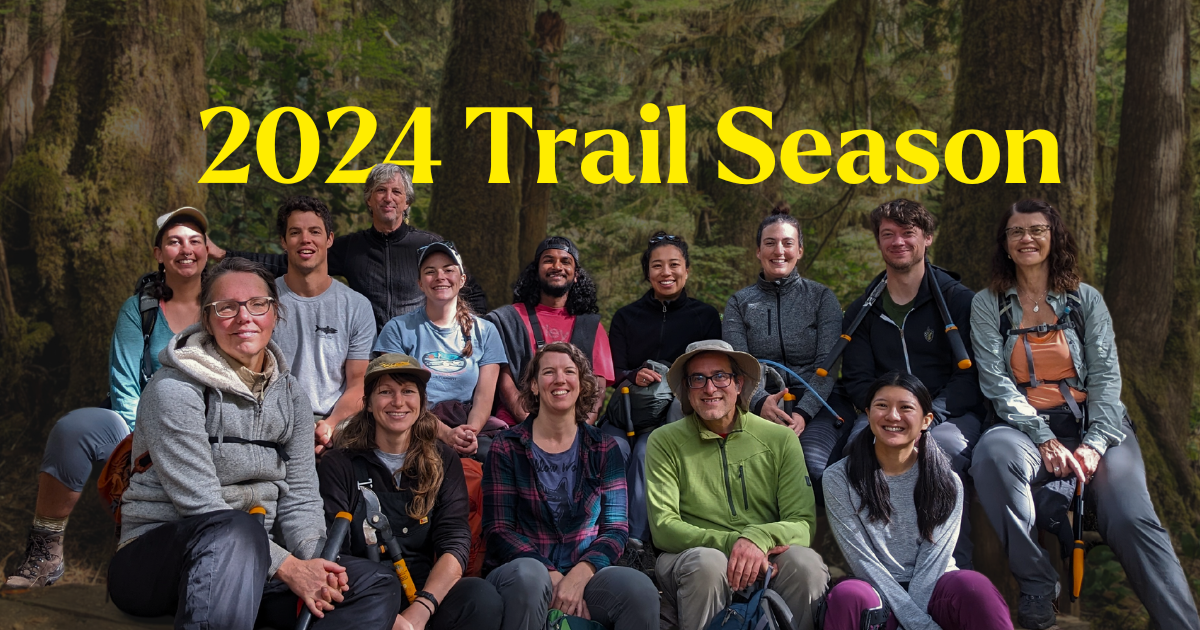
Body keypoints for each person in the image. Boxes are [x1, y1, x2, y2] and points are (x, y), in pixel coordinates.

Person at [107, 258, 401, 629]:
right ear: (208, 320)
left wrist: (316, 564)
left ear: (275, 313)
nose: (244, 317)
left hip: (259, 566)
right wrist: (289, 568)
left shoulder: (291, 394)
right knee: (234, 529)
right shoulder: (173, 390)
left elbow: (301, 498)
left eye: (257, 304)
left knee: (375, 583)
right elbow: (199, 506)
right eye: (226, 307)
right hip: (158, 562)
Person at [969, 199, 1200, 630]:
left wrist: (1094, 443)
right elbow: (996, 383)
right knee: (990, 459)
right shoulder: (989, 304)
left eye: (1037, 230)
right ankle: (1038, 581)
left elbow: (1108, 379)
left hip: (1096, 425)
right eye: (1016, 232)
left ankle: (1181, 623)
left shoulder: (1084, 298)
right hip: (1022, 428)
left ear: (1054, 236)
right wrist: (1042, 437)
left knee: (1131, 519)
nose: (1027, 239)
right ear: (1005, 243)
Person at [4, 207, 209, 591]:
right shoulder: (140, 310)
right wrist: (142, 448)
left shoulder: (223, 308)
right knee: (75, 428)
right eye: (175, 241)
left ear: (207, 250)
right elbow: (125, 384)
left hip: (205, 430)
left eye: (195, 241)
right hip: (141, 426)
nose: (186, 249)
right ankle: (45, 551)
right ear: (158, 253)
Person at [835, 199, 984, 567]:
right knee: (856, 451)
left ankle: (950, 570)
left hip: (948, 416)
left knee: (942, 453)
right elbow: (856, 380)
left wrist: (925, 417)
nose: (898, 241)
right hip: (882, 417)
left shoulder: (959, 302)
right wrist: (889, 414)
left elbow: (971, 374)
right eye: (888, 234)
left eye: (907, 233)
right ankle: (880, 569)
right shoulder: (863, 311)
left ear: (927, 238)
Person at [645, 339, 829, 630]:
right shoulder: (664, 441)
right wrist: (735, 545)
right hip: (692, 557)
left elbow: (802, 523)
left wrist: (758, 539)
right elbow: (665, 528)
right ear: (687, 391)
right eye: (698, 379)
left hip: (767, 553)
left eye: (720, 376)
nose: (710, 388)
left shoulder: (780, 439)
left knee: (806, 564)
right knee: (708, 564)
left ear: (739, 384)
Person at [318, 354, 503, 630]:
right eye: (385, 392)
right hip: (361, 596)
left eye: (408, 391)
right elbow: (333, 553)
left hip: (425, 595)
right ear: (368, 403)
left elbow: (454, 540)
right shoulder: (339, 464)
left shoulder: (443, 459)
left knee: (481, 597)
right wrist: (385, 617)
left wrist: (420, 611)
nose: (398, 401)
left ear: (421, 402)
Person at [483, 342, 658, 630]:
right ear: (535, 386)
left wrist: (581, 573)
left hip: (585, 573)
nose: (560, 379)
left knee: (638, 589)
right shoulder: (507, 446)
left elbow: (615, 529)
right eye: (548, 372)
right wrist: (550, 574)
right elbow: (499, 530)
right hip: (521, 574)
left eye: (569, 371)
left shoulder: (604, 447)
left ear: (581, 383)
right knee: (531, 576)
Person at [821, 372, 1011, 630]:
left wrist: (914, 622)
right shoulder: (838, 477)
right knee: (848, 595)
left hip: (935, 587)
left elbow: (934, 561)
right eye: (882, 406)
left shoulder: (947, 480)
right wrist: (919, 625)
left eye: (906, 408)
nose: (893, 416)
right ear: (867, 413)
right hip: (876, 588)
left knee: (976, 588)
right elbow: (862, 560)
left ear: (926, 420)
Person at [208, 164, 486, 330]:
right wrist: (225, 254)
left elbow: (470, 289)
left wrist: (473, 333)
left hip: (421, 346)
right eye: (380, 191)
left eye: (396, 192)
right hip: (369, 351)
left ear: (407, 202)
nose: (388, 198)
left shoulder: (429, 245)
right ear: (369, 199)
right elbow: (289, 261)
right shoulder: (352, 247)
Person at [605, 231, 722, 543]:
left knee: (647, 452)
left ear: (687, 269)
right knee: (610, 449)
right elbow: (612, 370)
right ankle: (599, 537)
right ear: (647, 272)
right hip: (627, 411)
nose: (666, 273)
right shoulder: (626, 317)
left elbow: (712, 369)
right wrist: (633, 375)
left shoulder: (705, 316)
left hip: (672, 415)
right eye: (657, 266)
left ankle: (634, 542)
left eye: (674, 265)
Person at [722, 204, 841, 455]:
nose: (779, 251)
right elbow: (738, 363)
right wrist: (760, 401)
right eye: (770, 243)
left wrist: (802, 413)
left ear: (799, 250)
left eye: (788, 243)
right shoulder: (739, 303)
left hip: (817, 403)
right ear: (758, 251)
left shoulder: (821, 298)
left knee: (811, 462)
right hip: (758, 403)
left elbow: (827, 366)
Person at [374, 241, 508, 461]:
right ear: (419, 283)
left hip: (468, 424)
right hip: (414, 423)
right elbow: (397, 395)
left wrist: (469, 433)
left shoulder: (486, 331)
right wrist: (446, 434)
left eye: (448, 270)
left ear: (462, 279)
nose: (440, 276)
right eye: (430, 271)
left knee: (496, 457)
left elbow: (484, 396)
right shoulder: (397, 330)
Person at [269, 196, 375, 455]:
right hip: (275, 424)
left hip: (337, 424)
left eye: (314, 232)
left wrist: (329, 426)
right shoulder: (263, 301)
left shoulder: (356, 306)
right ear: (284, 241)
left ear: (329, 239)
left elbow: (358, 382)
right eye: (295, 232)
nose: (306, 239)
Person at [486, 236, 615, 425]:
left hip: (574, 428)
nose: (557, 266)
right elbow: (505, 381)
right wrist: (534, 427)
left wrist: (578, 432)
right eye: (548, 260)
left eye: (565, 261)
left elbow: (598, 389)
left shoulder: (591, 326)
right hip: (514, 427)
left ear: (576, 274)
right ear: (536, 271)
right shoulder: (507, 320)